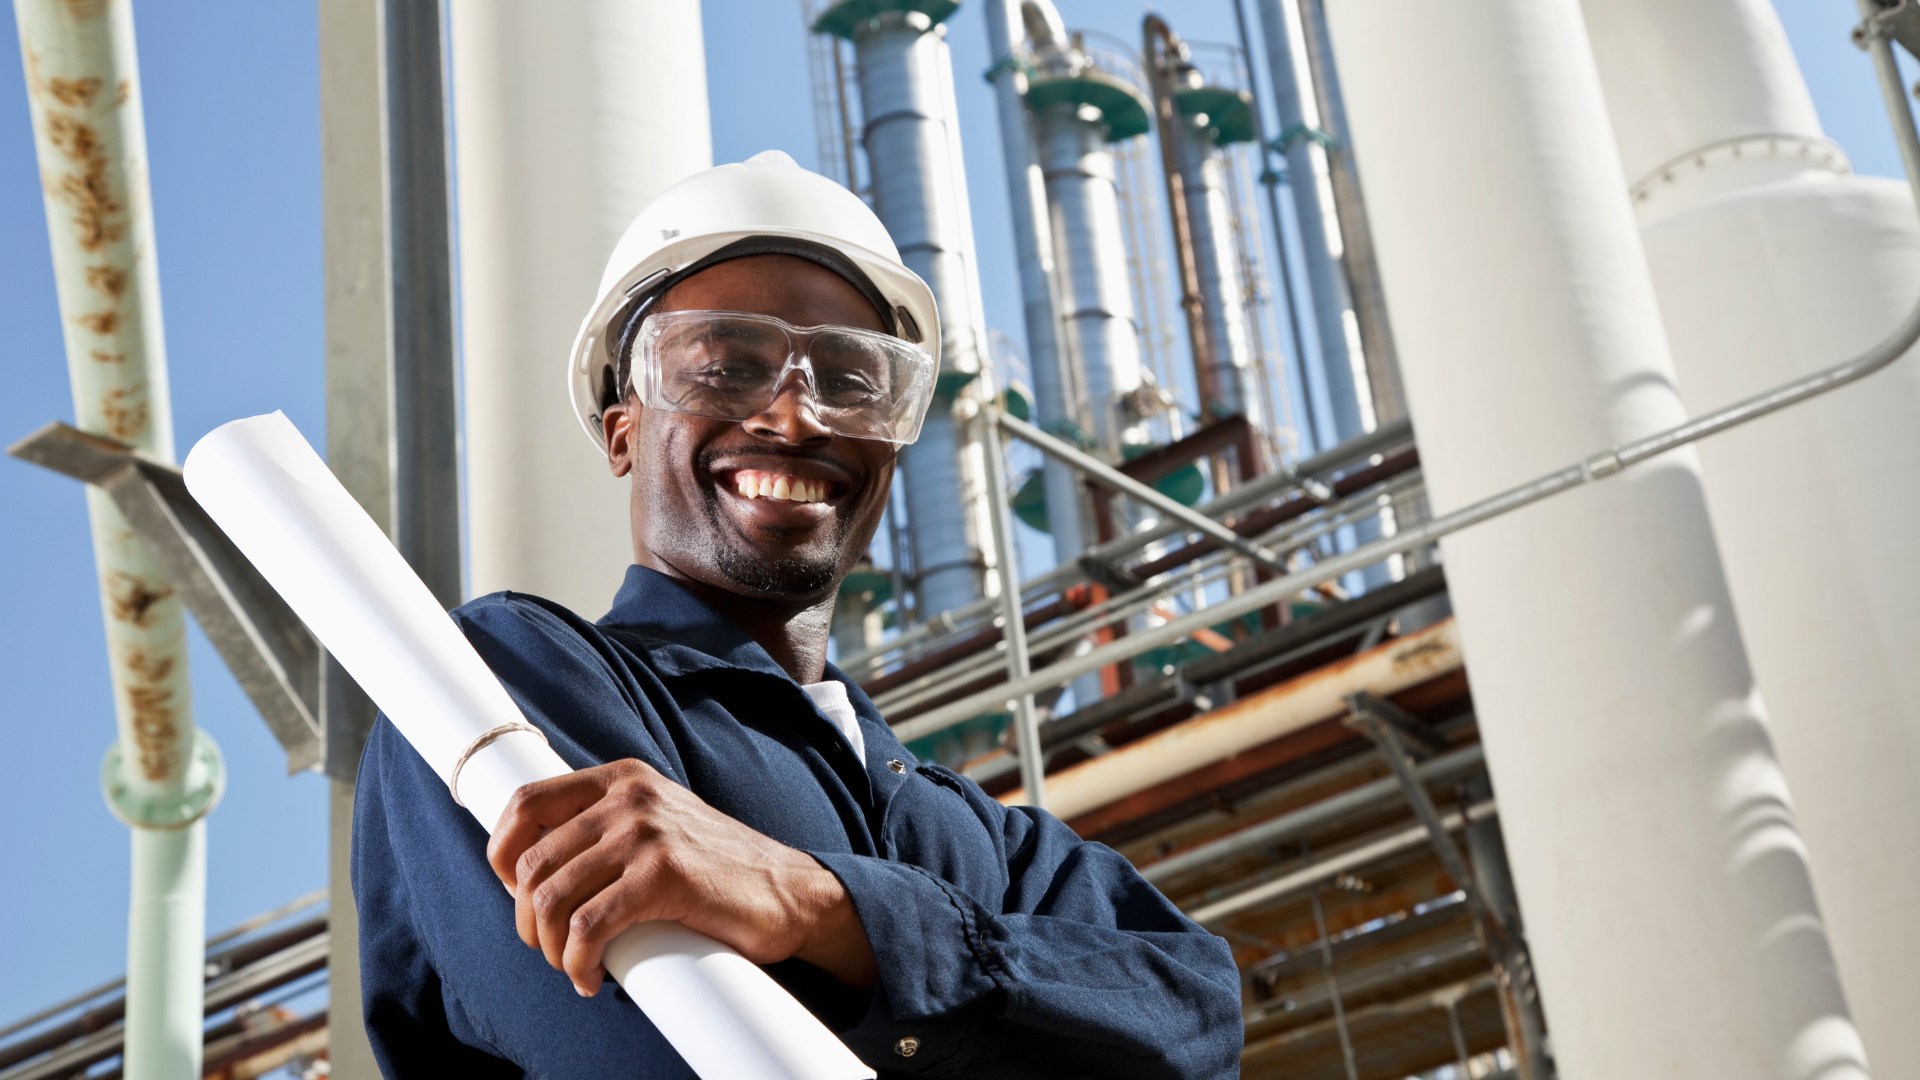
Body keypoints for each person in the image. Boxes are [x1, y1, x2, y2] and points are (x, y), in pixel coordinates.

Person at [352, 150, 1242, 1079]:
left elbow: (1197, 1012)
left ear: (892, 449)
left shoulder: (976, 835)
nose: (793, 415)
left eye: (853, 381)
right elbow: (642, 1055)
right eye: (725, 370)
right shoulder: (504, 682)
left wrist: (816, 903)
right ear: (624, 432)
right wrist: (985, 995)